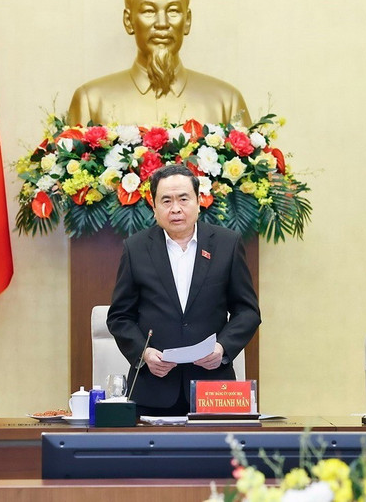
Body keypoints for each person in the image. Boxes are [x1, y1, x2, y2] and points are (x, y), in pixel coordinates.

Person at [106, 164, 261, 415]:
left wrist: (222, 348)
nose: (175, 208)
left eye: (183, 199)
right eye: (166, 200)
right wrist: (144, 354)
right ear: (154, 207)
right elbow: (119, 316)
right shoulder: (135, 248)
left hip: (213, 389)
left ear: (199, 202)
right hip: (153, 389)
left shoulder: (227, 244)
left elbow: (247, 312)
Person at [68, 0, 250, 127]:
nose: (162, 23)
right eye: (149, 11)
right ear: (128, 21)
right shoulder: (91, 101)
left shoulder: (226, 102)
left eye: (173, 11)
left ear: (187, 21)